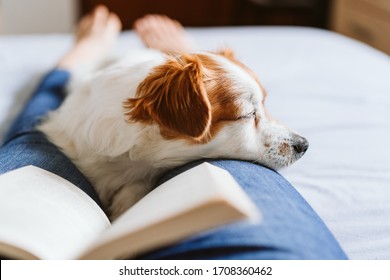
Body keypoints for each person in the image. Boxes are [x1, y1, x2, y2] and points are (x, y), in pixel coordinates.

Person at [0, 6, 347, 260]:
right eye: (249, 115)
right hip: (97, 106)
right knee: (44, 118)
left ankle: (172, 57)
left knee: (29, 140)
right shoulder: (171, 111)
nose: (287, 135)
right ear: (178, 114)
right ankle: (78, 62)